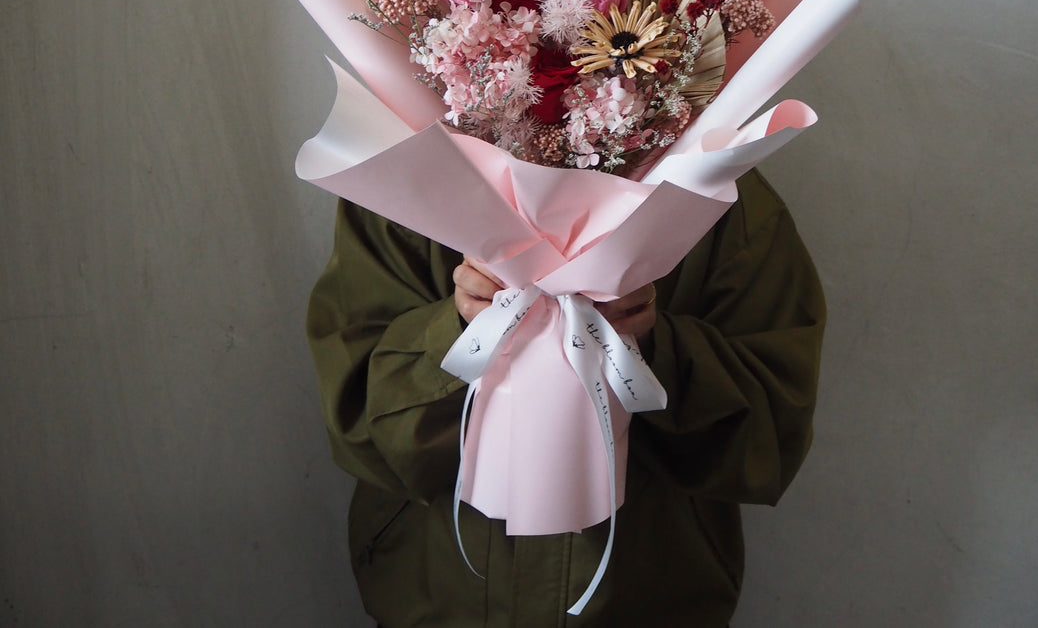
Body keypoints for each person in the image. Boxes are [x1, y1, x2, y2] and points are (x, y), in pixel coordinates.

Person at [306, 167, 825, 627]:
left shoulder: (719, 192)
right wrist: (460, 331)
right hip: (439, 594)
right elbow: (356, 420)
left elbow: (768, 441)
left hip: (643, 600)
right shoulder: (404, 181)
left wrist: (648, 348)